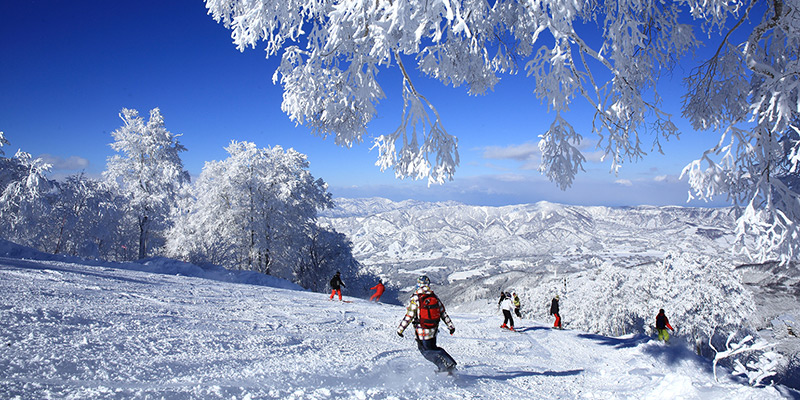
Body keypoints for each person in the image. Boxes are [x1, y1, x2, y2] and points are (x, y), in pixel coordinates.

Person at [397, 275, 457, 374]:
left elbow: (409, 316)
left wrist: (400, 329)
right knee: (433, 348)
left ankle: (446, 365)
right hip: (433, 329)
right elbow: (443, 313)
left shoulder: (416, 298)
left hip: (423, 330)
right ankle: (446, 366)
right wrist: (451, 326)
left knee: (426, 352)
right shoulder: (434, 297)